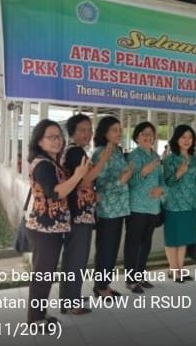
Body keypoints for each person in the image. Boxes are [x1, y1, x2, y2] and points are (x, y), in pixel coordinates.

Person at [26, 119, 89, 327]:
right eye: (50, 137)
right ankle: (35, 319)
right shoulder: (42, 164)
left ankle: (40, 315)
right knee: (42, 275)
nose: (57, 140)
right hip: (45, 228)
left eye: (58, 136)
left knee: (46, 274)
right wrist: (78, 175)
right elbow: (55, 192)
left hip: (53, 227)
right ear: (40, 141)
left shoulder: (52, 162)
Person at [59, 114, 109, 315]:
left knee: (75, 257)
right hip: (78, 213)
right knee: (76, 259)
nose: (87, 133)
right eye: (82, 129)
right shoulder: (75, 152)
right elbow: (85, 181)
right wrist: (103, 160)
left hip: (81, 212)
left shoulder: (75, 151)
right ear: (72, 133)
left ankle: (71, 297)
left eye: (89, 129)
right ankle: (71, 303)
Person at [91, 116, 133, 298]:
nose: (119, 133)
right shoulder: (100, 153)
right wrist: (121, 180)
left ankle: (105, 284)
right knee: (106, 249)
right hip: (108, 209)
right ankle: (100, 287)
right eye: (115, 130)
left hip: (121, 208)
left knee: (113, 248)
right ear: (105, 132)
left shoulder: (117, 151)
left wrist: (127, 176)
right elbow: (99, 184)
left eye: (120, 130)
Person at [125, 121, 165, 293]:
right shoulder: (133, 156)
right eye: (144, 134)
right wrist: (143, 172)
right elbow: (129, 182)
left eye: (151, 134)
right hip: (137, 207)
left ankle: (140, 274)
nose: (148, 137)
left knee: (145, 243)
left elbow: (163, 182)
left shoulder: (156, 156)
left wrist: (162, 190)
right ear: (137, 137)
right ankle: (130, 279)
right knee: (133, 243)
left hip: (153, 207)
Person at [163, 125, 196, 282]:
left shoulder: (194, 158)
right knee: (172, 237)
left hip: (190, 203)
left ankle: (180, 267)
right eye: (183, 137)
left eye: (190, 137)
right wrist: (179, 173)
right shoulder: (170, 159)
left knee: (184, 237)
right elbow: (167, 182)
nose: (187, 140)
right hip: (173, 203)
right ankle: (173, 268)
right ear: (176, 139)